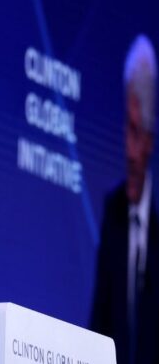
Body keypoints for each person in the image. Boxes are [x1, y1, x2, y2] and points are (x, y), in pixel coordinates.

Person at [91, 34, 159, 364]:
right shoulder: (112, 210)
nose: (129, 152)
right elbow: (97, 322)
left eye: (136, 133)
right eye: (125, 130)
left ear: (150, 139)